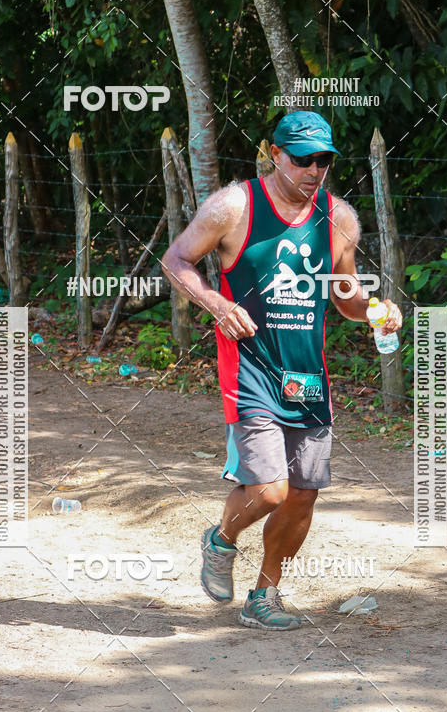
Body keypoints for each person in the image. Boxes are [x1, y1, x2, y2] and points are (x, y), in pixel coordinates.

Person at [162, 111, 402, 630]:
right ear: (276, 154)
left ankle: (264, 598)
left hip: (309, 378)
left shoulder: (338, 218)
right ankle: (221, 540)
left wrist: (375, 309)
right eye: (302, 159)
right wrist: (217, 305)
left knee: (301, 496)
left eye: (324, 160)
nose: (314, 170)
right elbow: (176, 259)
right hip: (249, 368)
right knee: (269, 489)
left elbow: (345, 297)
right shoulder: (234, 206)